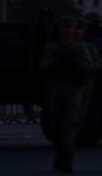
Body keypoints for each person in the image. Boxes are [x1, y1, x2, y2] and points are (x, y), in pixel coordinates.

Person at [40, 16, 92, 173]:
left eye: (70, 27)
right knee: (55, 126)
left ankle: (67, 158)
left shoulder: (79, 49)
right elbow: (43, 67)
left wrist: (75, 63)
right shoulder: (51, 49)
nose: (67, 30)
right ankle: (60, 153)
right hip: (55, 88)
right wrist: (57, 62)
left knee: (69, 126)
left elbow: (90, 66)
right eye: (64, 27)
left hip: (73, 89)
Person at [74, 19, 102, 132]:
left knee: (81, 112)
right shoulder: (61, 46)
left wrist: (87, 65)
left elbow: (97, 64)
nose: (78, 32)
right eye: (76, 28)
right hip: (67, 84)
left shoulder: (90, 47)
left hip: (85, 83)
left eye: (81, 29)